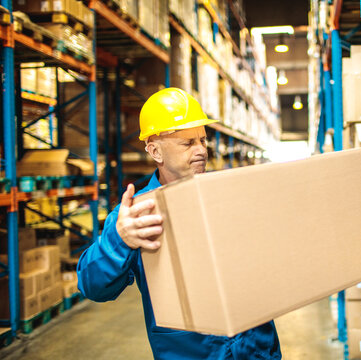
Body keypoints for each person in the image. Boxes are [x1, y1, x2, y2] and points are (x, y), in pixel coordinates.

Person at [77, 88, 281, 359]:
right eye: (187, 143)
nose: (200, 151)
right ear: (155, 151)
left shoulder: (231, 195)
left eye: (202, 140)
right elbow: (93, 287)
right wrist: (119, 240)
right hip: (192, 353)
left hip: (256, 350)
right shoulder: (136, 215)